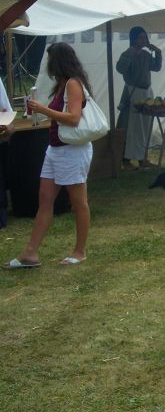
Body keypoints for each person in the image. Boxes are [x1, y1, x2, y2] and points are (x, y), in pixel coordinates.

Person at [6, 43, 94, 268]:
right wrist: (44, 114)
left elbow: (73, 118)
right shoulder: (62, 84)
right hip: (55, 149)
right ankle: (30, 253)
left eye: (50, 59)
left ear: (59, 61)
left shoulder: (73, 84)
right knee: (44, 200)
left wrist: (43, 110)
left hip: (72, 150)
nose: (48, 64)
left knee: (78, 201)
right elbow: (61, 116)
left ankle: (80, 251)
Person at [115, 26, 162, 170]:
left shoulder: (146, 55)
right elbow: (120, 69)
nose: (143, 40)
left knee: (144, 128)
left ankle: (143, 159)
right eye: (140, 37)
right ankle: (125, 160)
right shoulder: (127, 53)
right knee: (130, 128)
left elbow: (156, 67)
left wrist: (157, 52)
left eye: (144, 37)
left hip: (146, 93)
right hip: (133, 94)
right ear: (134, 39)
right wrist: (131, 54)